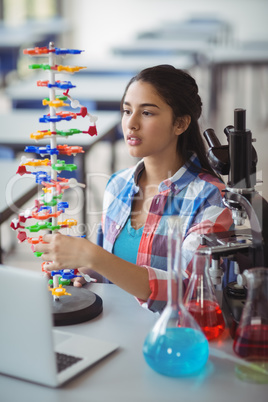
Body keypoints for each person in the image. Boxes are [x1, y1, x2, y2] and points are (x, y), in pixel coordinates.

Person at [35, 65, 233, 312]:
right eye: (127, 111)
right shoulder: (117, 185)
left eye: (147, 113)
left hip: (172, 340)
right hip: (115, 329)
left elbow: (191, 289)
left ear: (180, 123)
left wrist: (94, 256)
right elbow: (114, 268)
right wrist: (84, 270)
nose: (131, 123)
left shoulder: (211, 199)